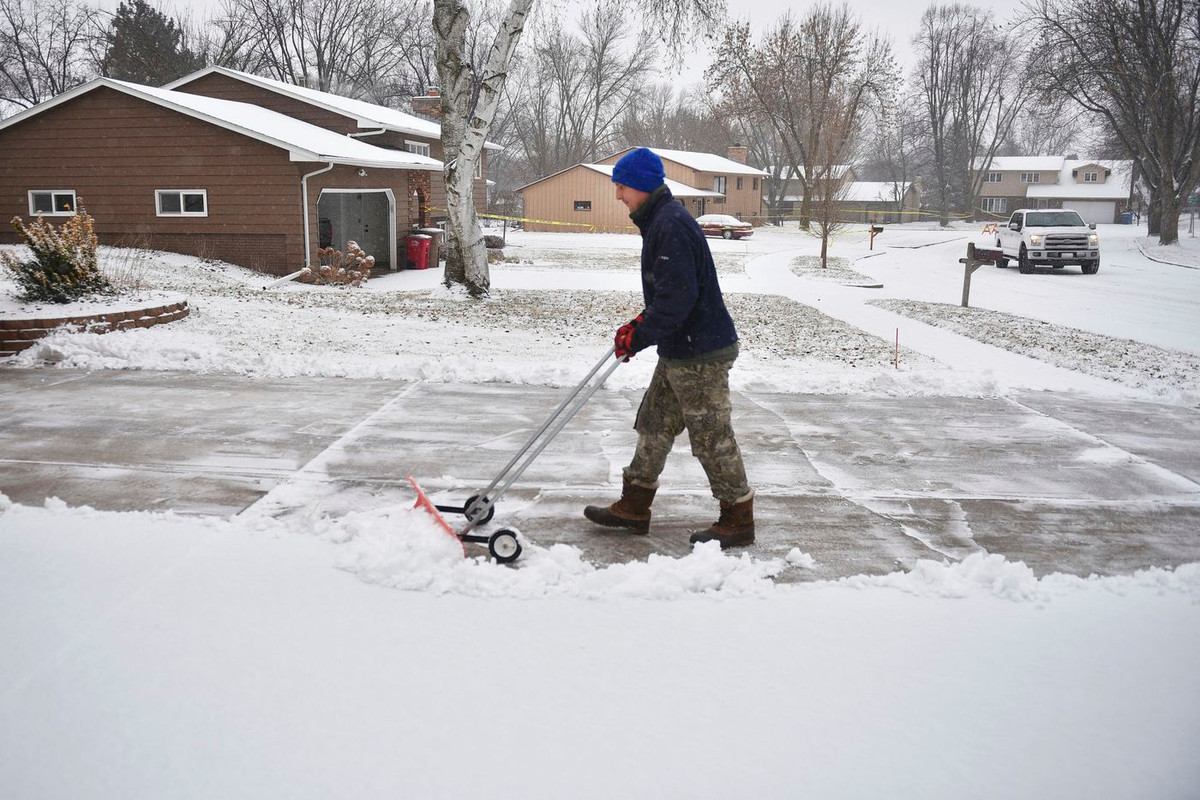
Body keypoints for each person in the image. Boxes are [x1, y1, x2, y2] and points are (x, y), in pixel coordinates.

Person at [583, 147, 755, 549]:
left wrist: (640, 335)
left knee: (711, 436)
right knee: (655, 423)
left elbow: (677, 300)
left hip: (701, 354)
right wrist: (639, 325)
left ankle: (738, 517)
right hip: (681, 348)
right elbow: (669, 295)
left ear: (642, 186)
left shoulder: (670, 224)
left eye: (622, 187)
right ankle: (634, 505)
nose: (618, 195)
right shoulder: (660, 219)